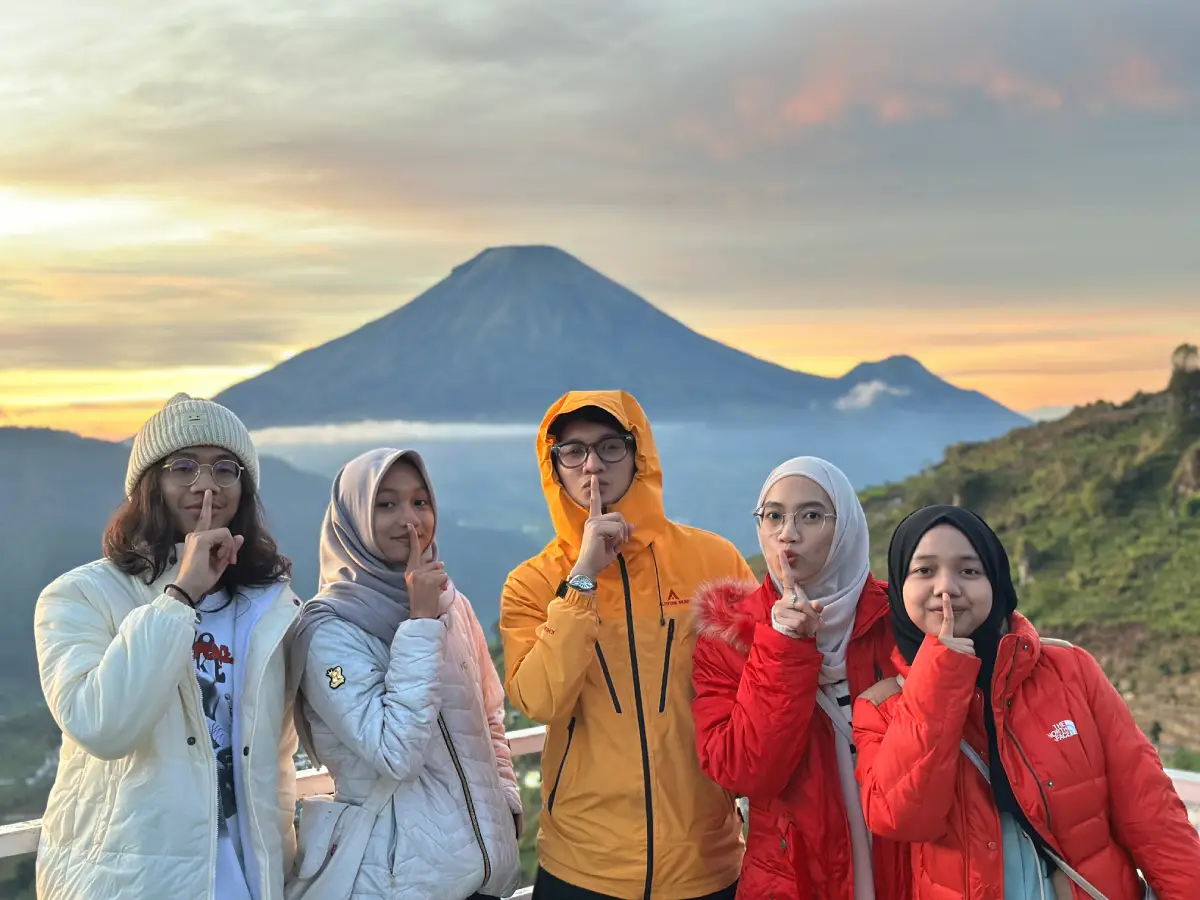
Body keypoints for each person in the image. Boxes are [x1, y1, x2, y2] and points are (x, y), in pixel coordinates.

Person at [854, 504, 1200, 899]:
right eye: (924, 570)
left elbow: (1151, 810)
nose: (946, 587)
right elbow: (903, 818)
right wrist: (941, 674)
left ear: (996, 582)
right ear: (899, 586)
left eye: (969, 571)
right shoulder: (881, 708)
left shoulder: (1070, 670)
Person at [33, 392, 300, 900]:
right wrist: (181, 595)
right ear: (149, 485)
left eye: (225, 468)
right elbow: (102, 726)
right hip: (129, 885)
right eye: (183, 467)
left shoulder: (271, 607)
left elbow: (282, 751)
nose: (206, 484)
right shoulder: (80, 595)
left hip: (249, 881)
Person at [500, 390, 754, 900]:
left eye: (610, 446)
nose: (592, 464)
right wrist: (583, 577)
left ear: (640, 456)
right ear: (554, 468)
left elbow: (759, 684)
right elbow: (539, 701)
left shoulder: (713, 560)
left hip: (705, 861)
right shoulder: (531, 583)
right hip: (582, 865)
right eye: (573, 451)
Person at [288, 448, 522, 900]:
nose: (409, 520)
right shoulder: (328, 632)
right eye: (386, 504)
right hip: (396, 884)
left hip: (485, 879)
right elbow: (395, 753)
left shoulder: (450, 603)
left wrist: (506, 799)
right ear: (353, 519)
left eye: (420, 502)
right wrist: (419, 623)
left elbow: (490, 714)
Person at [690, 456, 910, 900]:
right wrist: (783, 645)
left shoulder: (900, 620)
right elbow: (742, 772)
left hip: (906, 868)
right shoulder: (729, 639)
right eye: (773, 516)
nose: (787, 534)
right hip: (795, 879)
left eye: (811, 516)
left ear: (846, 527)